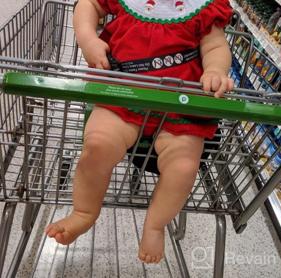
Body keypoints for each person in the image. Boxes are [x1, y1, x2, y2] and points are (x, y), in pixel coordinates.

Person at [45, 0, 234, 264]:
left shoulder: (202, 5)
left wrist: (215, 69)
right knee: (98, 144)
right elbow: (88, 5)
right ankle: (83, 212)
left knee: (184, 167)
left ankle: (155, 225)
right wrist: (87, 38)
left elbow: (215, 45)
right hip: (122, 91)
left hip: (180, 104)